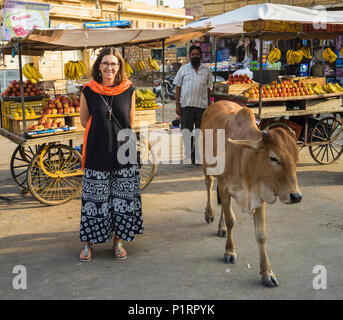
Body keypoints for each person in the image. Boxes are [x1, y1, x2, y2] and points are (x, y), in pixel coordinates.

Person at [79, 47, 143, 262]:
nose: (109, 67)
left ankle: (118, 241)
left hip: (123, 152)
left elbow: (130, 121)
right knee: (94, 200)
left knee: (121, 200)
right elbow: (83, 121)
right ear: (99, 66)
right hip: (97, 151)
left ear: (119, 67)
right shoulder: (88, 90)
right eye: (105, 63)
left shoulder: (129, 89)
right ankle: (88, 243)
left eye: (113, 64)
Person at [174, 45, 213, 164]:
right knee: (187, 131)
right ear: (190, 56)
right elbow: (178, 87)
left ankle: (197, 156)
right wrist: (177, 104)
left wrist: (210, 102)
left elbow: (209, 89)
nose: (195, 56)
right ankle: (187, 156)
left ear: (201, 56)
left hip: (202, 106)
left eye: (197, 54)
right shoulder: (183, 69)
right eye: (193, 54)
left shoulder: (206, 70)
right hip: (186, 106)